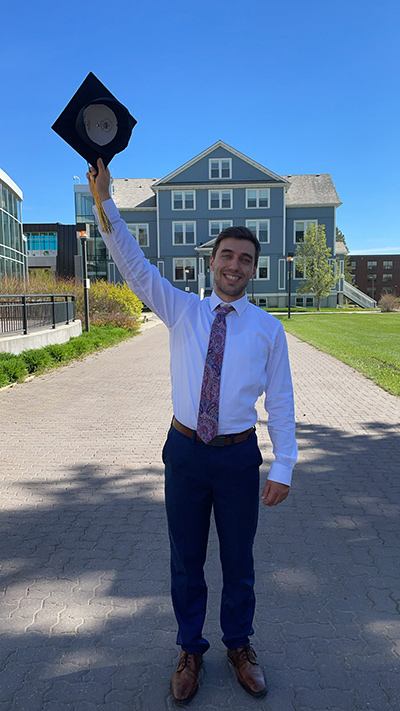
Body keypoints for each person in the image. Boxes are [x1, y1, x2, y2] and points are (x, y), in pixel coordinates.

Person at [88, 159, 297, 705]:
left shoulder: (268, 331)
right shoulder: (182, 311)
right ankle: (189, 649)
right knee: (186, 557)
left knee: (239, 560)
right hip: (184, 451)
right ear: (212, 262)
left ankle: (239, 645)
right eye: (227, 255)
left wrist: (284, 465)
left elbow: (281, 402)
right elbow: (135, 266)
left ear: (254, 268)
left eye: (245, 259)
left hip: (236, 457)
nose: (235, 264)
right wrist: (106, 202)